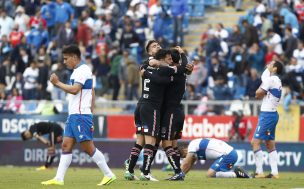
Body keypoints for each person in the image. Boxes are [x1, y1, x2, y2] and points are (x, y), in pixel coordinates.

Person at [41, 45, 116, 186]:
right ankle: (59, 178)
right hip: (75, 115)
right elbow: (92, 92)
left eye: (66, 58)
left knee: (88, 148)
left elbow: (75, 90)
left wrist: (57, 83)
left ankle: (108, 174)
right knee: (65, 145)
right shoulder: (79, 71)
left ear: (75, 57)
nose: (64, 62)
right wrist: (91, 111)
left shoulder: (82, 70)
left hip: (80, 115)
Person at [251, 60, 283, 179]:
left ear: (274, 69)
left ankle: (259, 172)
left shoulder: (271, 80)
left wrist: (261, 91)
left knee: (255, 142)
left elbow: (258, 94)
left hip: (267, 115)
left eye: (271, 64)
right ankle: (274, 173)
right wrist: (268, 69)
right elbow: (264, 77)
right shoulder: (276, 80)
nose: (268, 64)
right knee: (270, 144)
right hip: (272, 114)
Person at [180, 138, 251, 178]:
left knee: (209, 174)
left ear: (184, 149)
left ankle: (237, 174)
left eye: (184, 155)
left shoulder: (191, 146)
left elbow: (186, 162)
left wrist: (178, 174)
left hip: (228, 154)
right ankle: (238, 173)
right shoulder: (194, 150)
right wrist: (181, 175)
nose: (186, 157)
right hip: (230, 153)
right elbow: (189, 163)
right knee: (214, 174)